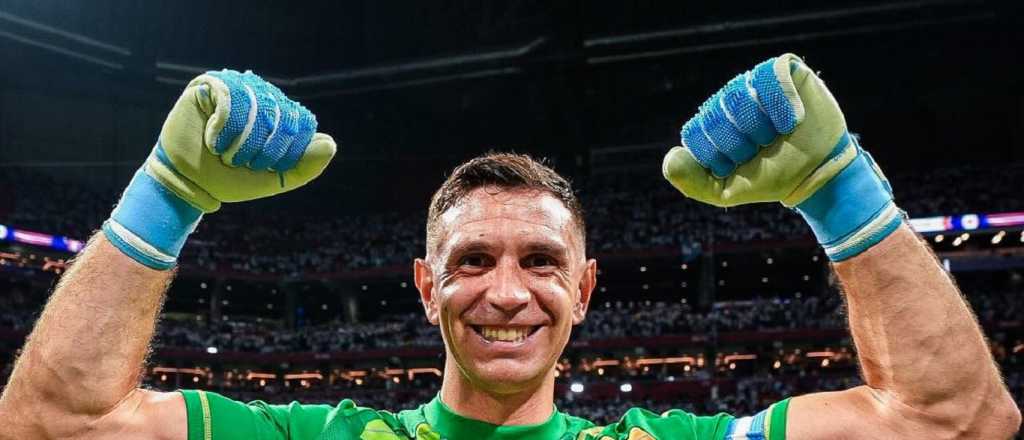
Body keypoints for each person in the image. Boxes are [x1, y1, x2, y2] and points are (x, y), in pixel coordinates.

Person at [0, 55, 1018, 440]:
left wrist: (842, 192)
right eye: (471, 259)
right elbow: (49, 420)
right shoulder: (319, 435)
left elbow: (957, 418)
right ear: (423, 282)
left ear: (584, 286)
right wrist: (164, 196)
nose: (504, 290)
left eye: (538, 260)